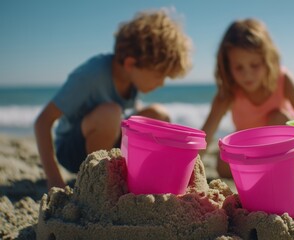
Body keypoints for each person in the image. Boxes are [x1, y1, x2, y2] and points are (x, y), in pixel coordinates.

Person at [34, 9, 192, 189]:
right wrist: (54, 179)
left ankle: (134, 178)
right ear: (131, 64)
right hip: (73, 148)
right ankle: (96, 182)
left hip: (109, 138)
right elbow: (42, 122)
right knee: (111, 113)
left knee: (158, 116)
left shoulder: (132, 78)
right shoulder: (91, 74)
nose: (162, 83)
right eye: (159, 76)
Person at [202, 18, 294, 178]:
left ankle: (276, 172)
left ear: (267, 59)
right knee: (222, 162)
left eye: (254, 65)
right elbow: (206, 135)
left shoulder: (283, 79)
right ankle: (261, 170)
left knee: (278, 118)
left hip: (283, 150)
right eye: (238, 67)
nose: (247, 74)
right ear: (227, 67)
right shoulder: (228, 92)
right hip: (250, 151)